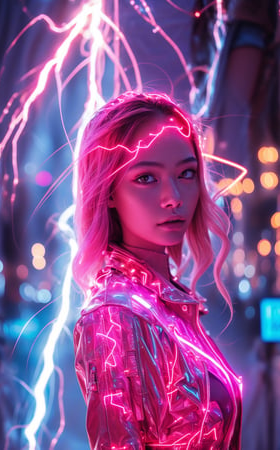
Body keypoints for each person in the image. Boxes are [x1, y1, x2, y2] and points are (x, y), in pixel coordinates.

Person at [73, 91, 242, 449]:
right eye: (146, 178)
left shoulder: (165, 305)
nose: (174, 197)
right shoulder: (114, 316)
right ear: (108, 192)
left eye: (186, 173)